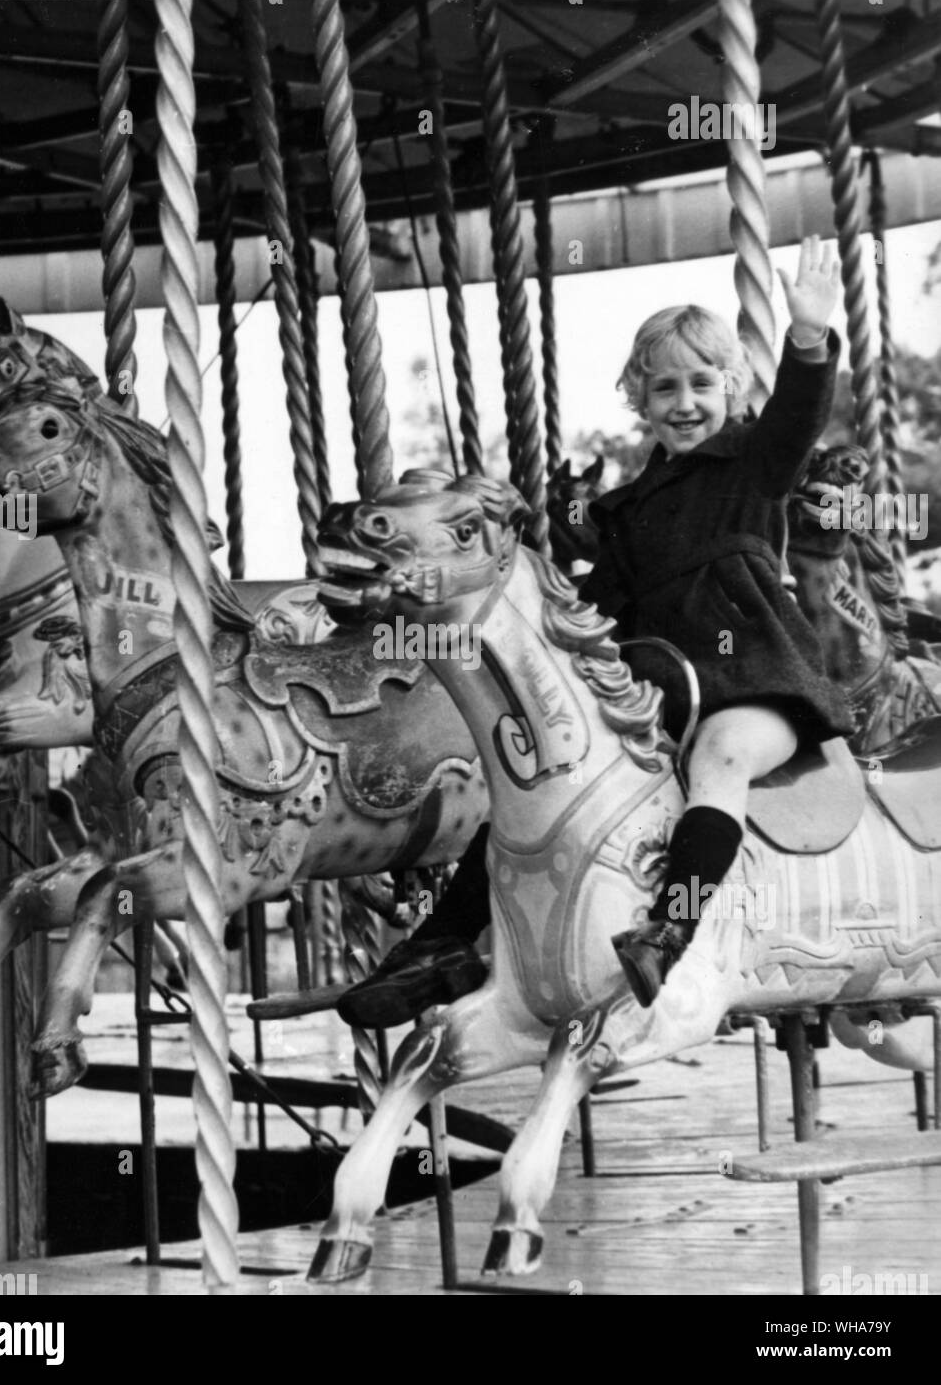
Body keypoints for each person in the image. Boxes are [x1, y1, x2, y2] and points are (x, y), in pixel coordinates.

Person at [338, 235, 854, 1027]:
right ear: (639, 402)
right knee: (539, 790)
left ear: (733, 387)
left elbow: (796, 417)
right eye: (664, 388)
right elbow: (598, 620)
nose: (685, 402)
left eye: (702, 384)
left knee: (720, 756)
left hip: (758, 684)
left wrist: (809, 338)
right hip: (659, 700)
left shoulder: (753, 465)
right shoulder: (626, 511)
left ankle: (670, 927)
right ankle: (440, 945)